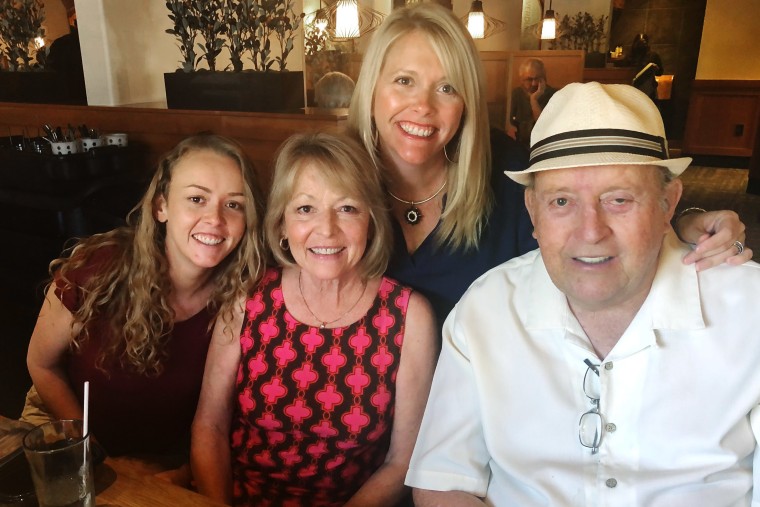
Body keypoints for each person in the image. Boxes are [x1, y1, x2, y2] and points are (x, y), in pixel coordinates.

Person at [407, 82, 760, 506]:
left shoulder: (748, 311)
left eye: (618, 199)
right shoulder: (485, 309)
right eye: (561, 201)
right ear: (532, 211)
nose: (591, 231)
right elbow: (444, 481)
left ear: (668, 203)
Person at [347, 3, 751, 329]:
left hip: (492, 389)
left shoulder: (507, 173)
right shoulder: (331, 175)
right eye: (403, 80)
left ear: (466, 103)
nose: (423, 105)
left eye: (447, 87)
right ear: (371, 88)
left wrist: (683, 226)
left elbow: (593, 215)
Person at [191, 132, 438, 506]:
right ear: (282, 224)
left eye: (347, 208)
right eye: (305, 209)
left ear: (371, 219)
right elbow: (209, 426)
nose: (326, 229)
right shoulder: (248, 299)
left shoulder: (409, 316)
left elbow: (402, 462)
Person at [24, 133, 266, 483]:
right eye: (196, 199)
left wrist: (180, 475)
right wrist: (94, 456)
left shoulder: (242, 298)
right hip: (66, 433)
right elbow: (41, 364)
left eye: (234, 204)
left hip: (163, 462)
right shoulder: (97, 269)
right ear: (161, 206)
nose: (215, 218)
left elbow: (221, 421)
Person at [508, 58, 557, 148]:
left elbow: (543, 126)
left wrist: (533, 100)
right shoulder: (516, 94)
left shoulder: (554, 95)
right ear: (521, 79)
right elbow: (509, 121)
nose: (534, 84)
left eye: (537, 79)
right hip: (520, 145)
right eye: (529, 79)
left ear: (544, 78)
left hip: (544, 145)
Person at [626, 33, 663, 101]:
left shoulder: (653, 56)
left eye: (643, 43)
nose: (641, 45)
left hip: (648, 88)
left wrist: (656, 68)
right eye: (639, 43)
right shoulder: (629, 57)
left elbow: (660, 72)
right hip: (633, 87)